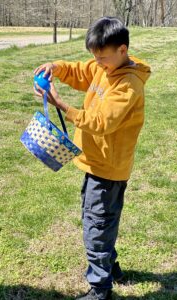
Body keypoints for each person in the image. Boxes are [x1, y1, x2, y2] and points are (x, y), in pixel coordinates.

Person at [34, 16, 151, 300]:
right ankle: (112, 269)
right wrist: (56, 68)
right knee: (103, 219)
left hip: (108, 168)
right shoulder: (104, 66)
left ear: (122, 50)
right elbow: (80, 71)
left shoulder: (127, 85)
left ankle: (100, 289)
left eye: (102, 58)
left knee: (96, 226)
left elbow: (101, 122)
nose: (97, 63)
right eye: (95, 57)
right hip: (97, 162)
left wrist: (61, 104)